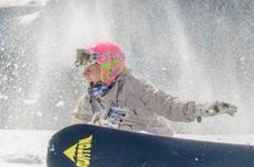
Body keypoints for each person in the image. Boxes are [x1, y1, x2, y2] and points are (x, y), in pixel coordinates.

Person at [70, 41, 237, 137]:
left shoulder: (136, 87)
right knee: (110, 116)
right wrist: (99, 121)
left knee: (120, 114)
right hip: (118, 154)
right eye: (84, 71)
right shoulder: (88, 101)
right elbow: (79, 133)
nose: (85, 75)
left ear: (108, 66)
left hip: (154, 144)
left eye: (90, 69)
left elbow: (169, 105)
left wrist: (202, 109)